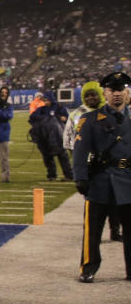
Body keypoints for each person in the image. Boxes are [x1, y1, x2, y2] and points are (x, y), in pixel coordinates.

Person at [73, 71, 131, 283]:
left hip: (128, 180)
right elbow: (80, 150)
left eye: (121, 90)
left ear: (127, 93)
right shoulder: (90, 120)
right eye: (112, 90)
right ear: (105, 93)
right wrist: (80, 176)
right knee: (93, 231)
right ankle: (88, 267)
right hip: (101, 180)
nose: (117, 94)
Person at [66, 82, 119, 242]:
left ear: (100, 94)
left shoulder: (112, 112)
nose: (90, 98)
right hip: (91, 166)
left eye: (93, 94)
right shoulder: (77, 114)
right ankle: (91, 234)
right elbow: (68, 139)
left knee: (115, 199)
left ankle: (115, 230)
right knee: (93, 203)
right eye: (87, 95)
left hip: (113, 164)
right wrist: (79, 168)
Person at [29, 92, 72, 181]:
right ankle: (52, 175)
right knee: (47, 157)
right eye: (44, 100)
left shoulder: (60, 108)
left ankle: (68, 175)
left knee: (62, 156)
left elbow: (67, 119)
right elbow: (32, 117)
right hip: (45, 137)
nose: (45, 102)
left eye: (46, 100)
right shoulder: (41, 109)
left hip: (58, 137)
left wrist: (62, 118)